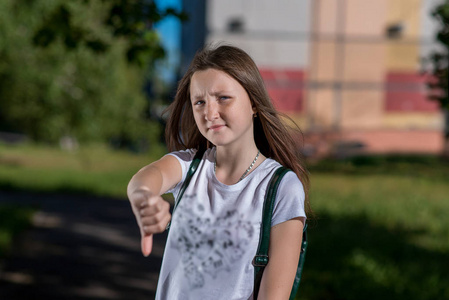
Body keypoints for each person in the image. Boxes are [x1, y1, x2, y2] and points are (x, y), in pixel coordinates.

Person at [127, 44, 311, 300]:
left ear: (254, 103)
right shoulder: (189, 167)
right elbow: (146, 178)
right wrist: (143, 198)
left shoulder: (280, 187)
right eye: (199, 102)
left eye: (223, 98)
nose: (209, 113)